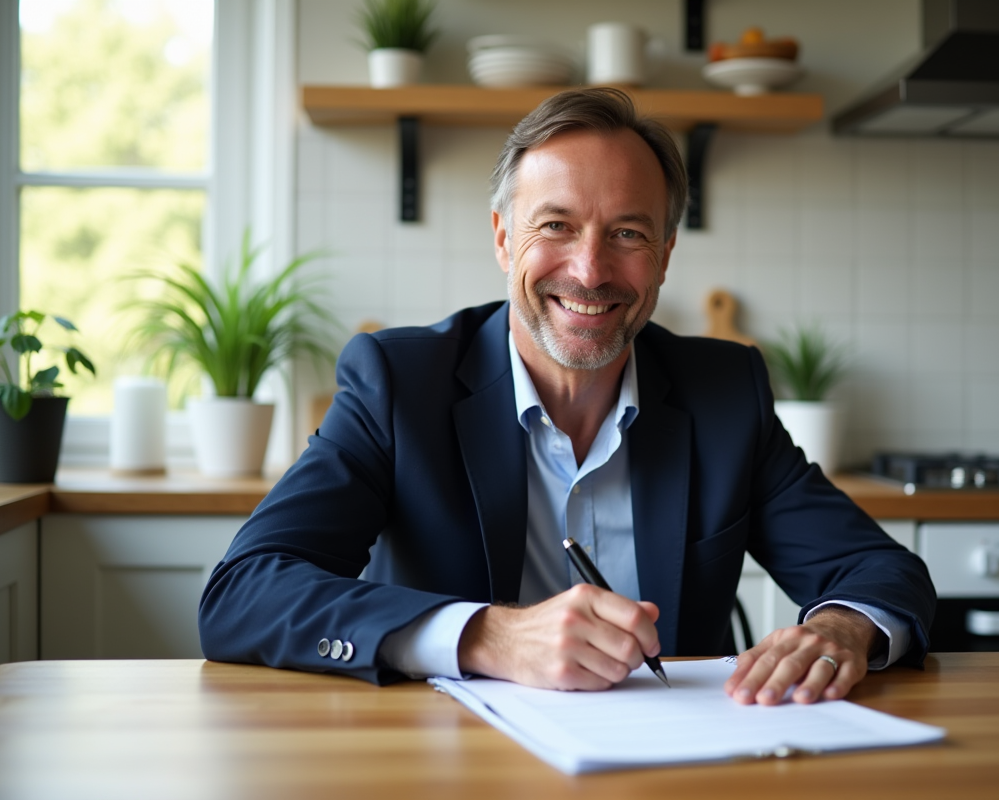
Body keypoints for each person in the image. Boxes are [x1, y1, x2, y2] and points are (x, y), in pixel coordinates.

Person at [198, 88, 935, 707]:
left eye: (628, 234)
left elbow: (884, 573)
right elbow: (243, 594)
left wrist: (841, 629)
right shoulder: (398, 383)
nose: (589, 270)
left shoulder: (724, 394)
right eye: (556, 225)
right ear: (502, 238)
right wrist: (487, 635)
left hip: (674, 763)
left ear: (665, 257)